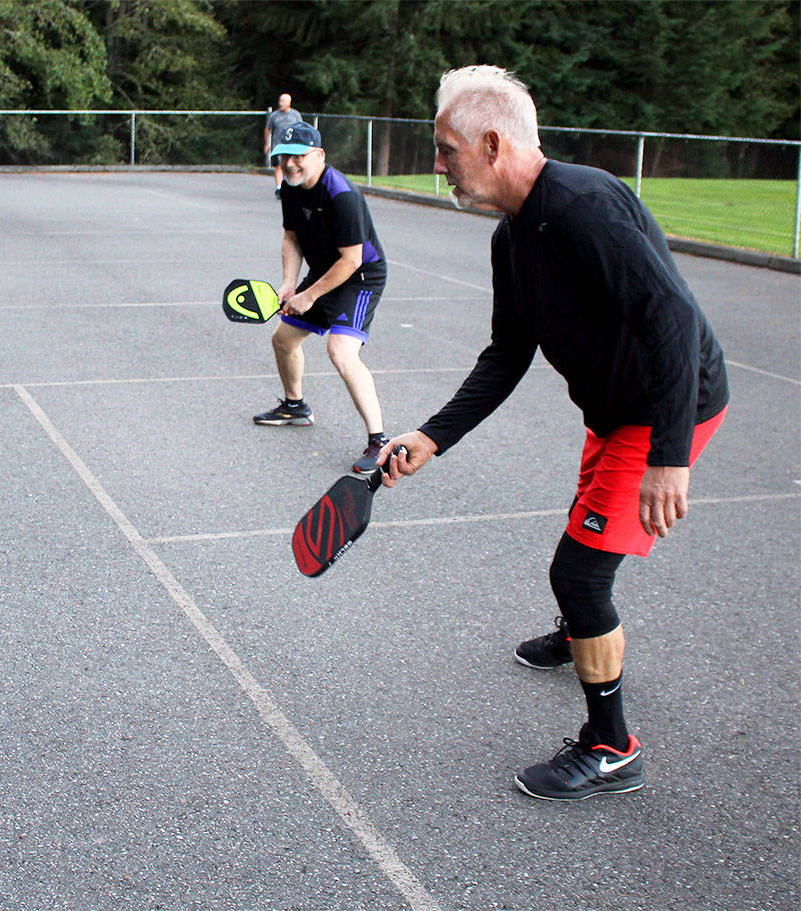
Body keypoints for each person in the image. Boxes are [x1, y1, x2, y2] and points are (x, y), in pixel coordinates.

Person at [377, 65, 729, 800]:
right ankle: (581, 636)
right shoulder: (514, 237)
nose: (439, 164)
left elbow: (673, 318)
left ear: (493, 143)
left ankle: (612, 747)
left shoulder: (581, 208)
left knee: (579, 571)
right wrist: (430, 436)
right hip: (615, 407)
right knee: (585, 533)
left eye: (446, 150)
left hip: (667, 404)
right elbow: (509, 350)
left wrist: (670, 454)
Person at [253, 121, 391, 476]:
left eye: (298, 156)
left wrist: (309, 295)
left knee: (341, 352)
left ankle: (379, 442)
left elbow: (353, 259)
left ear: (319, 155)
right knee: (283, 339)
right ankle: (295, 407)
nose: (291, 164)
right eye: (284, 158)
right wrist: (288, 284)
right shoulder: (291, 188)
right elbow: (292, 238)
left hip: (359, 277)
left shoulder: (341, 195)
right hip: (324, 271)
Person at [264, 94, 303, 198]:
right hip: (278, 146)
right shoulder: (274, 116)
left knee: (292, 167)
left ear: (289, 102)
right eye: (280, 101)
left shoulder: (295, 115)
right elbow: (268, 130)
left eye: (283, 101)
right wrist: (267, 143)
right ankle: (279, 188)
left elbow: (301, 129)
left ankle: (293, 187)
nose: (281, 103)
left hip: (292, 146)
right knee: (279, 167)